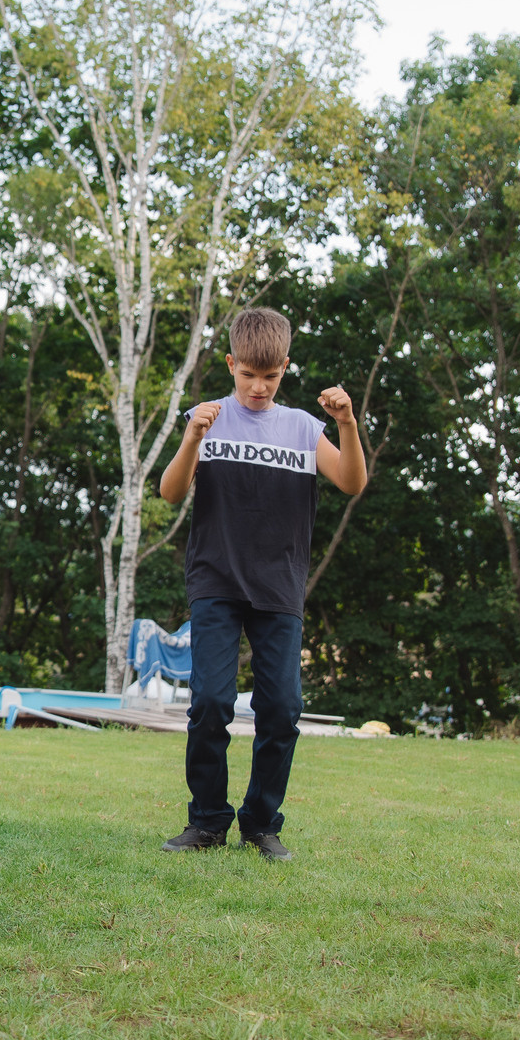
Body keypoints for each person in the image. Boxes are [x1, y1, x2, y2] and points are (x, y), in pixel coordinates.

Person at [154, 307, 368, 861]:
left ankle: (261, 824)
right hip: (216, 581)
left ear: (285, 370)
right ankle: (205, 822)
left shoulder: (302, 427)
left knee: (281, 708)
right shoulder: (208, 417)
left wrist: (346, 422)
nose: (257, 386)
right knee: (209, 702)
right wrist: (192, 436)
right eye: (248, 374)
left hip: (280, 586)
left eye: (269, 376)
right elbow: (170, 492)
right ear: (231, 364)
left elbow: (350, 481)